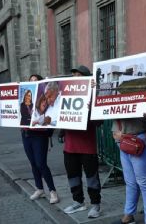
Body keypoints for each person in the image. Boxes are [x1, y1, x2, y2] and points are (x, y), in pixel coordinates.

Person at [112, 92, 146, 224]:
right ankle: (128, 216)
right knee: (131, 182)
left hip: (140, 140)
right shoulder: (115, 87)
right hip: (123, 140)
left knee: (145, 183)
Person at [61, 65, 102, 218]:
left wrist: (91, 108)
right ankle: (78, 202)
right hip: (70, 146)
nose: (75, 77)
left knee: (92, 177)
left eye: (78, 75)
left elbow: (99, 123)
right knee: (73, 176)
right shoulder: (65, 93)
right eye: (73, 75)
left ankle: (95, 205)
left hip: (87, 147)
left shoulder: (93, 95)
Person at [23, 74, 59, 204]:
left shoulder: (45, 99)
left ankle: (52, 191)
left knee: (41, 163)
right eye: (30, 81)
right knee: (33, 162)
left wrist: (37, 121)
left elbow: (47, 118)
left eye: (35, 80)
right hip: (26, 134)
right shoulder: (28, 99)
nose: (33, 82)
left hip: (39, 135)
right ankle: (39, 188)